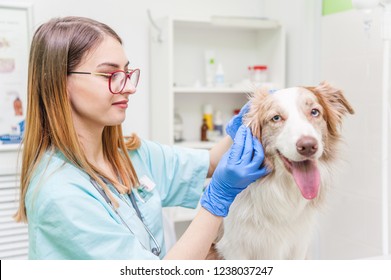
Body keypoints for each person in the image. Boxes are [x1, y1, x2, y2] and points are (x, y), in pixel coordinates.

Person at [14, 16, 268, 260]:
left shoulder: (129, 154)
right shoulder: (60, 193)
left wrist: (247, 123)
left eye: (126, 72)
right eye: (109, 75)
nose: (130, 87)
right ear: (60, 82)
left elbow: (210, 163)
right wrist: (217, 199)